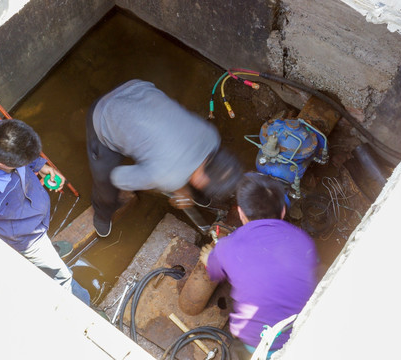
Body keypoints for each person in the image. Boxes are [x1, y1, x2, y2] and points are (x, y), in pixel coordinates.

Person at [0, 119, 90, 305]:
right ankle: (83, 307)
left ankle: (47, 251)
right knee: (62, 275)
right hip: (25, 239)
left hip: (35, 216)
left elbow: (24, 154)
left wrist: (40, 166)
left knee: (46, 250)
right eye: (20, 164)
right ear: (0, 163)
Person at [86, 79, 243, 237]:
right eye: (203, 185)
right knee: (105, 184)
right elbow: (119, 177)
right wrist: (169, 185)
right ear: (201, 180)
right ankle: (102, 214)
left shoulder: (212, 136)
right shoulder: (168, 175)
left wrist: (177, 185)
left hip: (136, 88)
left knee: (171, 166)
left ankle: (196, 194)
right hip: (104, 115)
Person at [200, 172, 318, 359]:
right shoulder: (303, 240)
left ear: (240, 214)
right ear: (283, 212)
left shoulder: (228, 246)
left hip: (259, 342)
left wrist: (209, 258)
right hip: (307, 331)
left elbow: (214, 272)